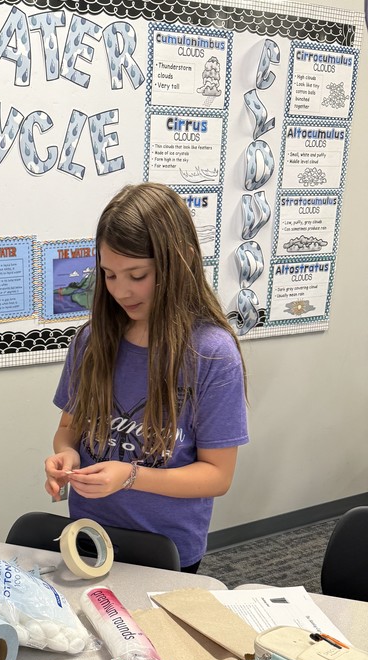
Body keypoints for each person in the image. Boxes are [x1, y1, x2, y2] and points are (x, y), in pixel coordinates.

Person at [44, 182, 248, 572]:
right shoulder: (92, 340)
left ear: (180, 262)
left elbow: (217, 476)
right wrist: (66, 454)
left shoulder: (211, 353)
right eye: (109, 275)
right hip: (89, 533)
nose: (121, 291)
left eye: (137, 275)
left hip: (165, 547)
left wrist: (131, 476)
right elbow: (69, 428)